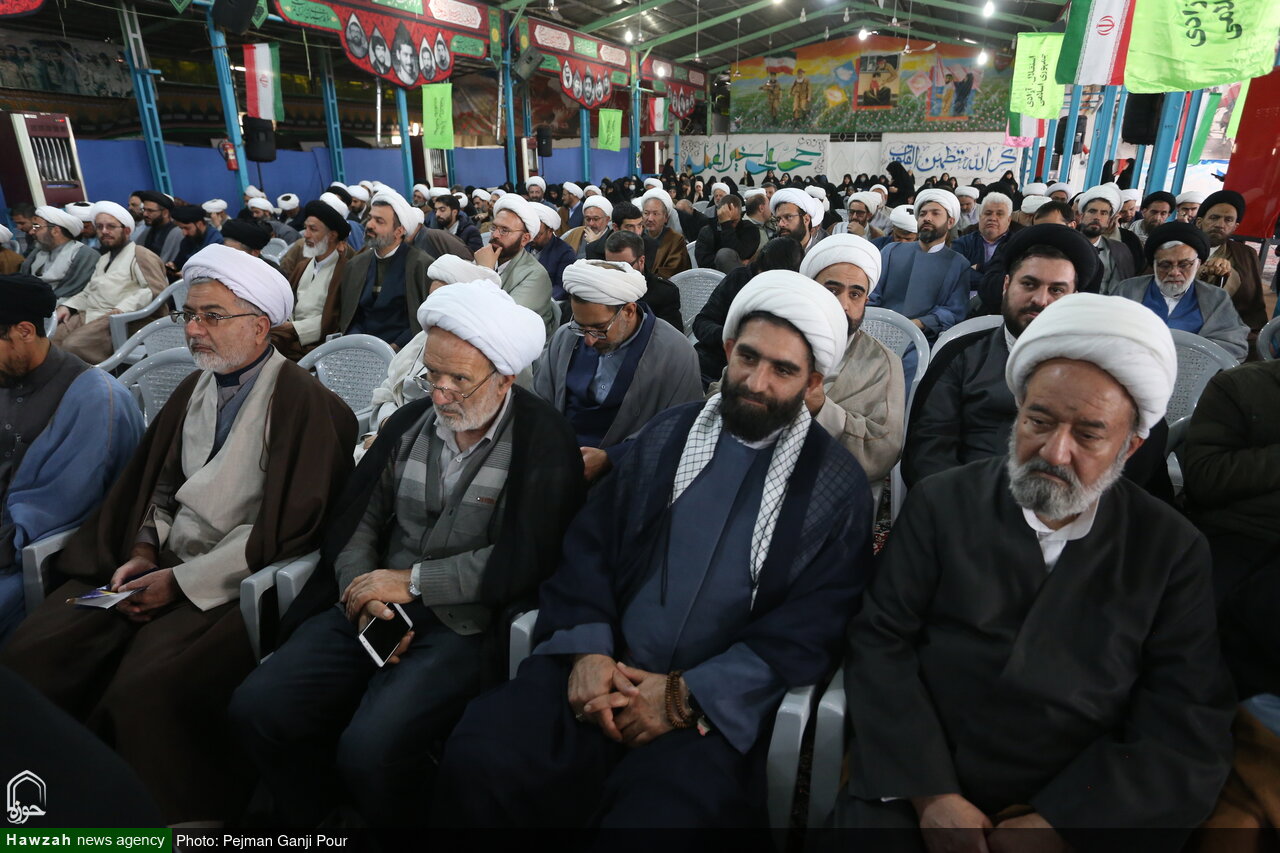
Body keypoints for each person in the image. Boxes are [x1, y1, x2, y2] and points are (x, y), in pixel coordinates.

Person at [433, 270, 874, 830]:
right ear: (728, 351)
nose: (757, 382)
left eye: (782, 370)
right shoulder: (668, 435)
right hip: (604, 668)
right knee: (483, 754)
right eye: (748, 358)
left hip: (708, 711)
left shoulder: (834, 486)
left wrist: (685, 696)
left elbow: (815, 623)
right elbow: (590, 547)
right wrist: (588, 651)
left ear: (812, 383)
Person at [839, 292, 1235, 845]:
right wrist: (931, 794)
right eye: (1038, 421)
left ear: (1130, 447)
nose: (1054, 451)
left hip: (1078, 803)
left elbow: (1184, 717)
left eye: (1089, 434)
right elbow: (880, 640)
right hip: (923, 778)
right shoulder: (942, 502)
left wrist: (1060, 824)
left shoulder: (1171, 550)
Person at [0, 245, 358, 824]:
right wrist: (143, 549)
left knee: (145, 689)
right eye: (189, 315)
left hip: (227, 586)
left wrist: (181, 581)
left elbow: (289, 530)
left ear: (259, 325)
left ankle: (148, 819)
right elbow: (158, 486)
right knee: (38, 648)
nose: (193, 329)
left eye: (212, 316)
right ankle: (44, 803)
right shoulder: (194, 388)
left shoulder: (310, 406)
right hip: (155, 566)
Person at [232, 279, 583, 828]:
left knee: (371, 748)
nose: (440, 394)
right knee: (258, 707)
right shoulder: (409, 422)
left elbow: (528, 555)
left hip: (465, 623)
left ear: (505, 378)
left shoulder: (543, 440)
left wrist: (413, 581)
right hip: (373, 602)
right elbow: (358, 521)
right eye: (432, 375)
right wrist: (362, 592)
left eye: (459, 380)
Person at [905, 224, 1168, 496]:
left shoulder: (1104, 364)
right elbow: (927, 450)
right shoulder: (961, 355)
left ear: (1075, 299)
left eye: (1057, 290)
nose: (1040, 300)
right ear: (1006, 285)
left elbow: (1139, 455)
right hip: (966, 501)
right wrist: (968, 506)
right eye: (1029, 284)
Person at [0, 274, 143, 640]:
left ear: (24, 331)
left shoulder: (94, 401)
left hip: (39, 561)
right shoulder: (6, 375)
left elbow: (58, 515)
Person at [533, 259, 701, 482]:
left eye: (599, 329)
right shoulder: (566, 337)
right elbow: (540, 404)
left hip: (628, 476)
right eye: (581, 327)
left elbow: (679, 430)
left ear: (629, 311)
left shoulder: (675, 353)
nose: (589, 340)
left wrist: (611, 458)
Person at [791, 234, 906, 487]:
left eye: (855, 294)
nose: (842, 305)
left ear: (866, 301)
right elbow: (720, 396)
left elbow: (884, 451)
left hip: (825, 487)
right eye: (832, 291)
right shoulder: (776, 341)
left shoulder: (883, 363)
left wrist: (821, 408)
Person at [1110, 221, 1250, 362]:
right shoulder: (1127, 290)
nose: (1174, 272)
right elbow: (1107, 334)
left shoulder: (1216, 298)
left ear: (1198, 264)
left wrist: (1188, 357)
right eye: (1165, 265)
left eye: (1184, 265)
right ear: (1154, 265)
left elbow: (1234, 347)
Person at [51, 202, 167, 364]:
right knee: (51, 342)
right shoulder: (104, 259)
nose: (104, 231)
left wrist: (121, 309)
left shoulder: (140, 254)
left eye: (111, 226)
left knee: (73, 346)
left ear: (127, 230)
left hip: (121, 320)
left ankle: (103, 377)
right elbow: (89, 292)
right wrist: (68, 306)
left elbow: (153, 290)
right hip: (90, 314)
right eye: (99, 227)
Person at [869, 188, 968, 365]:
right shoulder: (891, 251)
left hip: (921, 341)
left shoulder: (958, 264)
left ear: (950, 222)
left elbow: (953, 312)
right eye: (922, 214)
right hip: (878, 332)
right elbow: (872, 294)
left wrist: (918, 323)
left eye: (935, 213)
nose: (927, 218)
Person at [270, 197, 355, 360]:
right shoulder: (303, 266)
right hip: (288, 335)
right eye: (306, 228)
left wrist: (293, 328)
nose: (306, 235)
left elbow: (338, 318)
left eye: (313, 229)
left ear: (332, 235)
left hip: (317, 344)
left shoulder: (345, 269)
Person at [1194, 190, 1268, 359]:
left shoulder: (1246, 255)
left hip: (1232, 333)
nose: (1220, 224)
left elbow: (1254, 303)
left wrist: (1229, 274)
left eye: (1228, 220)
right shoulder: (1182, 249)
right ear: (1199, 222)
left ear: (1235, 227)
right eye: (1214, 218)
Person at [474, 194, 556, 336]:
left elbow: (502, 323)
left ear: (525, 239)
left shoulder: (536, 276)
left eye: (504, 230)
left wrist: (485, 272)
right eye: (494, 228)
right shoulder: (484, 259)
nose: (495, 235)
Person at [603, 230, 685, 333]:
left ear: (641, 261)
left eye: (624, 267)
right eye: (611, 266)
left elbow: (671, 336)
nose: (617, 273)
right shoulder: (600, 287)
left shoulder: (664, 293)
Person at [19, 206, 98, 299]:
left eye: (37, 227)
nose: (31, 232)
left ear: (55, 231)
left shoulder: (85, 254)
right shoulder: (37, 252)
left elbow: (74, 291)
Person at [1073, 184, 1137, 294]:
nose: (1097, 217)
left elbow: (1118, 291)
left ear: (1109, 221)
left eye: (1104, 213)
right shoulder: (1066, 244)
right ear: (1082, 216)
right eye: (1092, 211)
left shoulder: (1118, 250)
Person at [951, 192, 1013, 294]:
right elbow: (957, 274)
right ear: (980, 217)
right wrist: (995, 282)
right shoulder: (962, 243)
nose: (992, 218)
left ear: (1009, 220)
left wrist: (978, 269)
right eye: (988, 213)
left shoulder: (1016, 245)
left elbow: (1014, 277)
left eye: (999, 214)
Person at [695, 193, 761, 274]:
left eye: (733, 222)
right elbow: (703, 262)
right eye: (724, 219)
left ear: (740, 215)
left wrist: (726, 225)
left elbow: (741, 253)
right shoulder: (707, 231)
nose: (730, 225)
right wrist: (725, 223)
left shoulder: (750, 229)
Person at [528, 203, 576, 302]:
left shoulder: (565, 252)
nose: (531, 238)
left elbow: (561, 287)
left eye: (537, 235)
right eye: (530, 233)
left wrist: (537, 300)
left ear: (550, 231)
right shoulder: (524, 244)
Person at [639, 187, 690, 280]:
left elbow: (673, 273)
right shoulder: (637, 237)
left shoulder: (675, 240)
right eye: (646, 213)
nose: (650, 219)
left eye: (655, 214)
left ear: (665, 217)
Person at [769, 187, 826, 257]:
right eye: (778, 219)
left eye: (788, 217)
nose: (781, 224)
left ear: (806, 219)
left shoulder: (822, 253)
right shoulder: (772, 253)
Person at [132, 190, 183, 264]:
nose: (145, 214)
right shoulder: (147, 232)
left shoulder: (178, 233)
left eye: (150, 211)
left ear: (165, 213)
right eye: (144, 210)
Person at [170, 204, 224, 272]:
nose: (184, 233)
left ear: (199, 224)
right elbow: (180, 262)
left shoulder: (216, 240)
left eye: (187, 228)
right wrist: (173, 266)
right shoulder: (187, 240)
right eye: (181, 228)